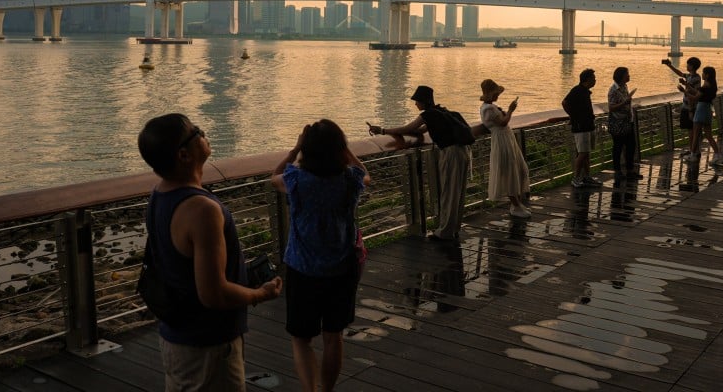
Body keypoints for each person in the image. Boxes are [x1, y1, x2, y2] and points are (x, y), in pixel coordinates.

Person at [137, 114, 282, 392]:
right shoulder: (201, 210)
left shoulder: (159, 194)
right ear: (183, 155)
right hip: (208, 347)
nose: (204, 133)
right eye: (197, 132)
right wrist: (260, 295)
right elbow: (213, 294)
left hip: (179, 339)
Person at [270, 120, 370, 392]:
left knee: (301, 338)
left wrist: (294, 150)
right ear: (339, 148)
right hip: (341, 269)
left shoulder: (296, 180)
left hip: (302, 269)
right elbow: (365, 174)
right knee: (333, 336)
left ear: (308, 149)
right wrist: (346, 150)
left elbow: (274, 176)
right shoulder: (349, 180)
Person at [368, 85, 472, 240]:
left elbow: (408, 128)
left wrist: (382, 131)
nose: (416, 104)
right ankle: (453, 228)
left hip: (451, 153)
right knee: (458, 191)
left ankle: (445, 232)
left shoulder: (428, 114)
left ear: (423, 101)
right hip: (463, 151)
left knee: (449, 191)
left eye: (416, 101)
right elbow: (420, 130)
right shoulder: (442, 112)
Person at [479, 79, 532, 218]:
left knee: (516, 169)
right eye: (496, 93)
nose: (498, 96)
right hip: (502, 140)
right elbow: (503, 123)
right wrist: (510, 110)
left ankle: (517, 204)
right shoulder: (488, 109)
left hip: (506, 139)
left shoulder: (489, 107)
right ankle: (515, 206)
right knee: (509, 172)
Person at [562, 68, 601, 188]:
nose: (595, 80)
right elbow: (564, 102)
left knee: (586, 153)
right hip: (581, 127)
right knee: (582, 153)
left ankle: (586, 177)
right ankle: (576, 178)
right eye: (593, 78)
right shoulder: (577, 90)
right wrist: (573, 116)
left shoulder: (585, 91)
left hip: (589, 125)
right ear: (587, 79)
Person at [684, 66, 722, 165]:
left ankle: (693, 155)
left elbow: (695, 97)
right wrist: (686, 85)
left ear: (707, 75)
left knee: (696, 134)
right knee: (709, 135)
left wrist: (684, 91)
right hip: (708, 109)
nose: (702, 74)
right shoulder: (712, 86)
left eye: (703, 73)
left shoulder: (705, 87)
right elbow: (698, 93)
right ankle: (717, 155)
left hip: (700, 109)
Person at [607, 67, 639, 179]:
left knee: (631, 146)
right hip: (618, 123)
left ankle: (630, 170)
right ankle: (617, 171)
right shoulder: (613, 90)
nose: (629, 76)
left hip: (628, 121)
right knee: (618, 147)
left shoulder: (624, 86)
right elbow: (611, 108)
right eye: (627, 74)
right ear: (621, 77)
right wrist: (625, 102)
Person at [663, 57, 701, 151]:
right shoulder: (689, 76)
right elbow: (680, 73)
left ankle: (693, 151)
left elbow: (693, 92)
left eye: (688, 64)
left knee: (692, 131)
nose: (686, 66)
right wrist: (670, 66)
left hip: (691, 107)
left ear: (692, 66)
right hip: (687, 106)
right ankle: (692, 150)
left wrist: (684, 86)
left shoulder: (696, 78)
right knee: (690, 130)